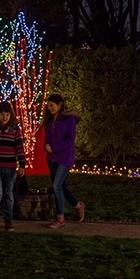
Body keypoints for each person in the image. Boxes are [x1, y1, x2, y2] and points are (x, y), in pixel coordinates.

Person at [44, 94, 84, 228]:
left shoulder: (69, 119)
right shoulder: (50, 120)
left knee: (56, 186)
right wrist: (46, 145)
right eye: (48, 106)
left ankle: (60, 217)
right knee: (60, 187)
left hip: (64, 158)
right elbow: (47, 136)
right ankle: (78, 206)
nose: (50, 108)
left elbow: (69, 140)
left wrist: (54, 147)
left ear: (60, 105)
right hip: (52, 158)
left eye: (52, 105)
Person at [0, 101, 26, 237]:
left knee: (9, 193)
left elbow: (19, 147)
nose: (4, 118)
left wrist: (22, 164)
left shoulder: (15, 129)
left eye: (7, 115)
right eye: (2, 115)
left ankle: (8, 220)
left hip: (10, 166)